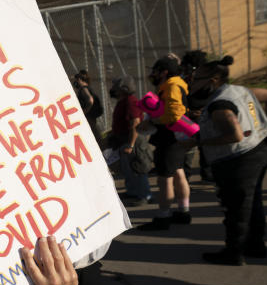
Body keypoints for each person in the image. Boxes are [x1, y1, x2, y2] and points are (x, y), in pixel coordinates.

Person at [189, 55, 267, 265]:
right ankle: (255, 245)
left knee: (237, 205)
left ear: (213, 80)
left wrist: (200, 143)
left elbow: (235, 135)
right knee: (252, 200)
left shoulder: (220, 105)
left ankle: (234, 252)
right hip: (261, 147)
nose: (191, 83)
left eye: (196, 79)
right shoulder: (239, 91)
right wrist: (266, 127)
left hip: (239, 157)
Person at [138, 55, 194, 231]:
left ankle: (164, 216)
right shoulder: (178, 83)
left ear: (164, 72)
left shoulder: (171, 86)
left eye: (155, 71)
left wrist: (153, 121)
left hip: (169, 139)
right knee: (178, 173)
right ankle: (183, 211)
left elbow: (174, 114)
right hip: (178, 137)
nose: (152, 75)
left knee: (165, 179)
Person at [108, 76, 152, 206]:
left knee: (138, 168)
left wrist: (131, 144)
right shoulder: (124, 101)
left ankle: (144, 195)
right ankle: (133, 192)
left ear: (123, 89)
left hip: (134, 140)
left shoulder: (130, 101)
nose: (113, 90)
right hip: (125, 139)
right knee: (129, 169)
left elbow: (135, 123)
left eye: (116, 87)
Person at [181, 50, 213, 182]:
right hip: (188, 118)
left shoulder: (207, 81)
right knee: (188, 149)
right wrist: (188, 112)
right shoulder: (183, 81)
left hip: (203, 117)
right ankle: (185, 178)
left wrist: (205, 110)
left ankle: (207, 174)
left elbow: (212, 97)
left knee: (206, 147)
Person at [72, 70, 104, 145]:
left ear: (79, 80)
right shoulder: (89, 88)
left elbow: (90, 100)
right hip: (92, 117)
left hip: (88, 117)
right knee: (95, 136)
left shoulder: (83, 88)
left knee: (93, 138)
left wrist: (84, 112)